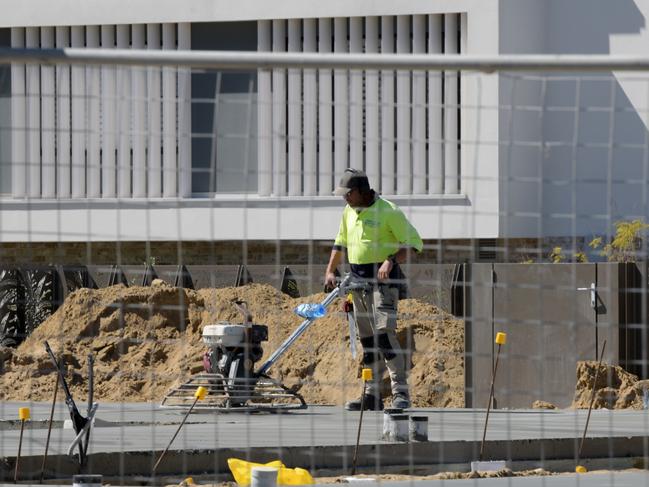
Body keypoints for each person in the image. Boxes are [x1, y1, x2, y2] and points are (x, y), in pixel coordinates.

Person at [324, 168, 423, 411]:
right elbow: (340, 243)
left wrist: (391, 260)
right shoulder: (349, 211)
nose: (344, 198)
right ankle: (372, 394)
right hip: (357, 284)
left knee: (384, 337)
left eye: (347, 193)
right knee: (368, 341)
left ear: (360, 191)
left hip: (382, 284)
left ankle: (401, 393)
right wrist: (330, 271)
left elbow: (414, 243)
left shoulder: (388, 211)